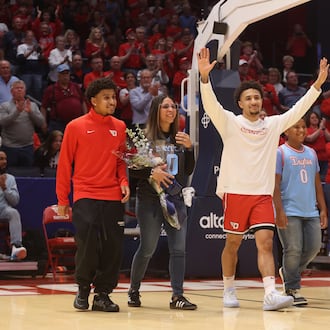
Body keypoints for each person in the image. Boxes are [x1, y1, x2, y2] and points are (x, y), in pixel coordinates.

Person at [197, 47, 328, 311]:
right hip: (235, 193)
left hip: (262, 195)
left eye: (257, 97)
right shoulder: (230, 123)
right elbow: (210, 105)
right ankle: (228, 288)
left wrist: (316, 85)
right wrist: (203, 78)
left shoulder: (272, 125)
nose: (255, 101)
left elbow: (297, 109)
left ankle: (270, 293)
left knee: (266, 243)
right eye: (249, 98)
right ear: (240, 103)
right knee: (232, 244)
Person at [56, 77, 130, 312]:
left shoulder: (119, 126)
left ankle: (103, 294)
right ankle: (83, 289)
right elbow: (65, 164)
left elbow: (121, 162)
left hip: (113, 196)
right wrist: (62, 200)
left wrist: (124, 181)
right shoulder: (75, 126)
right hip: (85, 194)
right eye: (106, 97)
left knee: (113, 247)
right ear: (93, 101)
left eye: (113, 97)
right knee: (87, 244)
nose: (112, 101)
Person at [127, 94, 196, 310]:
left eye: (174, 106)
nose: (171, 110)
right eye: (166, 106)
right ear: (156, 110)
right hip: (150, 199)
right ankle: (134, 289)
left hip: (175, 199)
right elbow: (132, 171)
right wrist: (151, 172)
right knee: (148, 248)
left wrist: (190, 149)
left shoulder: (180, 138)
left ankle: (178, 296)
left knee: (179, 249)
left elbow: (187, 171)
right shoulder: (143, 137)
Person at [273, 117, 328, 306]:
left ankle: (288, 272)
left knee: (313, 247)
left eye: (304, 127)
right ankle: (292, 289)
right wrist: (279, 210)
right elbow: (275, 185)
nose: (302, 130)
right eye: (296, 127)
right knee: (293, 249)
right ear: (286, 131)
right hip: (289, 209)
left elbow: (316, 183)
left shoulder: (312, 153)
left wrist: (322, 209)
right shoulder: (280, 153)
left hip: (310, 210)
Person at [0, 80, 46, 167]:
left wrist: (31, 112)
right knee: (11, 173)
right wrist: (17, 111)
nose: (19, 90)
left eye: (21, 88)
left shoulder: (32, 105)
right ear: (11, 91)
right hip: (9, 147)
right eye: (17, 88)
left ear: (25, 91)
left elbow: (41, 123)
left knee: (27, 174)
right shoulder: (4, 106)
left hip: (27, 147)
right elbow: (3, 122)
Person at [41, 63, 87, 133]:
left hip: (76, 121)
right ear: (58, 75)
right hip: (58, 124)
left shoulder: (75, 86)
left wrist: (85, 117)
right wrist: (43, 122)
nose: (65, 76)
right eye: (63, 74)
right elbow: (43, 107)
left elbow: (82, 102)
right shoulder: (51, 89)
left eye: (67, 74)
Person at [0, 151, 27, 261]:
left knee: (13, 212)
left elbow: (15, 201)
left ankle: (16, 247)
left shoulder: (10, 178)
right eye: (1, 159)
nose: (4, 161)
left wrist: (5, 188)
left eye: (5, 159)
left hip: (3, 210)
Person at [304, 111, 330, 182]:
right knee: (314, 180)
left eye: (316, 117)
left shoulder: (323, 129)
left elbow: (329, 138)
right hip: (312, 159)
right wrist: (320, 129)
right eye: (312, 118)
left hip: (324, 158)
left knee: (324, 179)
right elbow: (310, 139)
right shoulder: (306, 130)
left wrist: (323, 128)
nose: (315, 119)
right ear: (308, 120)